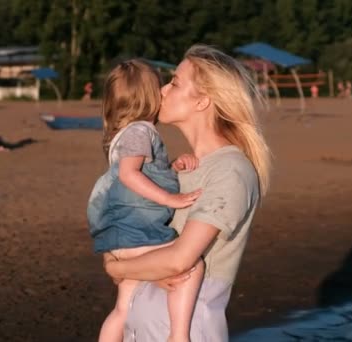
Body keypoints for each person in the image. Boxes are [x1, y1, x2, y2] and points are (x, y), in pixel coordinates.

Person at [103, 45, 271, 341]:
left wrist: (119, 268)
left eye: (175, 83)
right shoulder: (175, 169)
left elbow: (180, 260)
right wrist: (116, 262)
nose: (163, 90)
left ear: (203, 101)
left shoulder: (230, 171)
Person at [87, 60, 205, 342]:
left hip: (120, 235)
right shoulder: (140, 132)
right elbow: (130, 175)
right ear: (149, 97)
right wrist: (170, 198)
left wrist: (173, 167)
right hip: (137, 232)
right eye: (160, 86)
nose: (165, 91)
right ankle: (178, 336)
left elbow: (144, 174)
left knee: (122, 308)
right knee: (192, 265)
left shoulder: (123, 135)